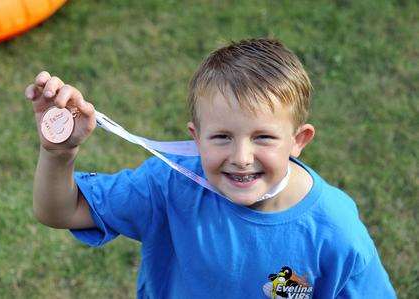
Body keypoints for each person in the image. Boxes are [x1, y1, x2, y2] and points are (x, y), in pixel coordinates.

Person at [26, 38, 396, 298]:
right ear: (195, 137)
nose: (241, 157)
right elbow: (60, 211)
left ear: (299, 140)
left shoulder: (335, 231)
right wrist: (59, 153)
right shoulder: (169, 187)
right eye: (221, 137)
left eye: (263, 137)